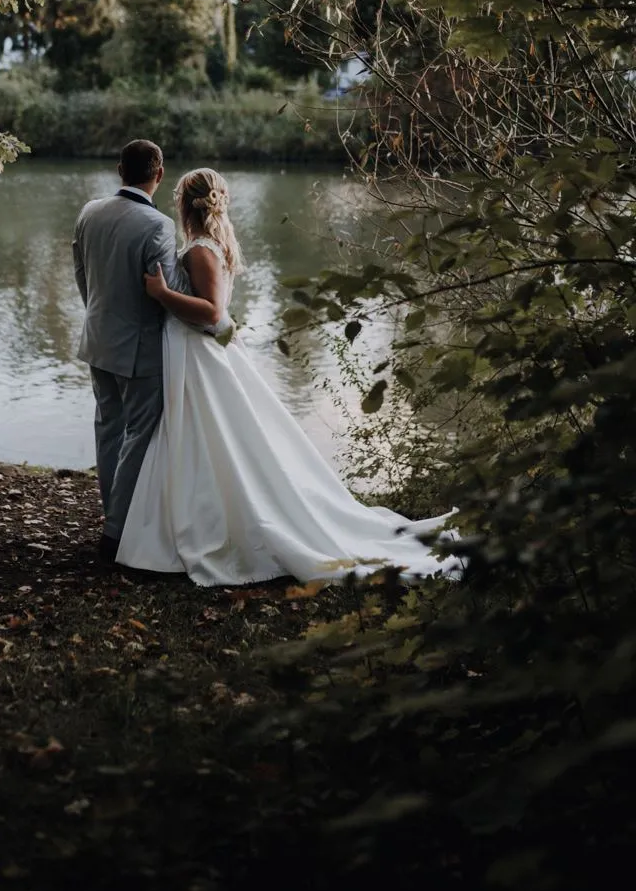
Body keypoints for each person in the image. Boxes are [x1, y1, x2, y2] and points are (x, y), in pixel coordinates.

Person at [115, 167, 457, 586]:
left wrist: (163, 294)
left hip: (200, 356)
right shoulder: (208, 245)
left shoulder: (201, 250)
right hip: (197, 353)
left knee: (206, 438)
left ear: (186, 205)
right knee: (201, 439)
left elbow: (212, 313)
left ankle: (207, 527)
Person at [72, 139, 191, 563]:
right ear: (159, 175)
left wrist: (100, 313)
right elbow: (170, 290)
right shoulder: (157, 225)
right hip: (140, 350)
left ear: (120, 169)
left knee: (108, 430)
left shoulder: (90, 211)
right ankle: (116, 533)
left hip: (98, 339)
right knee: (137, 437)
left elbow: (81, 272)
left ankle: (113, 518)